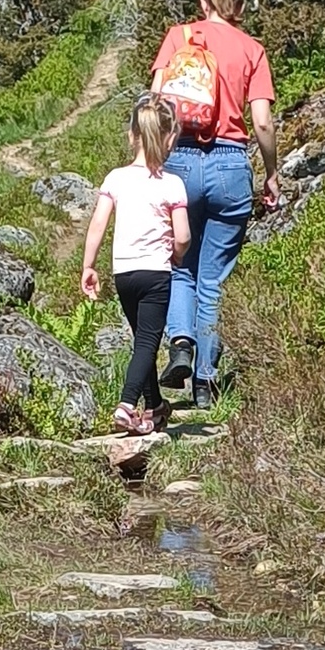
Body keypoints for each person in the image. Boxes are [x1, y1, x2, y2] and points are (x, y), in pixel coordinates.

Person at [149, 0, 279, 407]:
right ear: (239, 4)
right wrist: (271, 172)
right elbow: (261, 121)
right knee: (214, 280)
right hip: (230, 165)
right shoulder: (252, 49)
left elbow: (154, 103)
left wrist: (150, 164)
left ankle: (180, 344)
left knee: (178, 265)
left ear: (204, 2)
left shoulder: (179, 37)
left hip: (180, 160)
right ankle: (206, 382)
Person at [80, 94, 191, 454]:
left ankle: (155, 408)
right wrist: (176, 255)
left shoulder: (116, 178)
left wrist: (89, 265)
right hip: (156, 272)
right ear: (170, 138)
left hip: (123, 272)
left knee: (141, 340)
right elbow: (184, 236)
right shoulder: (171, 184)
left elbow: (98, 223)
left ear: (132, 135)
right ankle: (127, 406)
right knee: (147, 343)